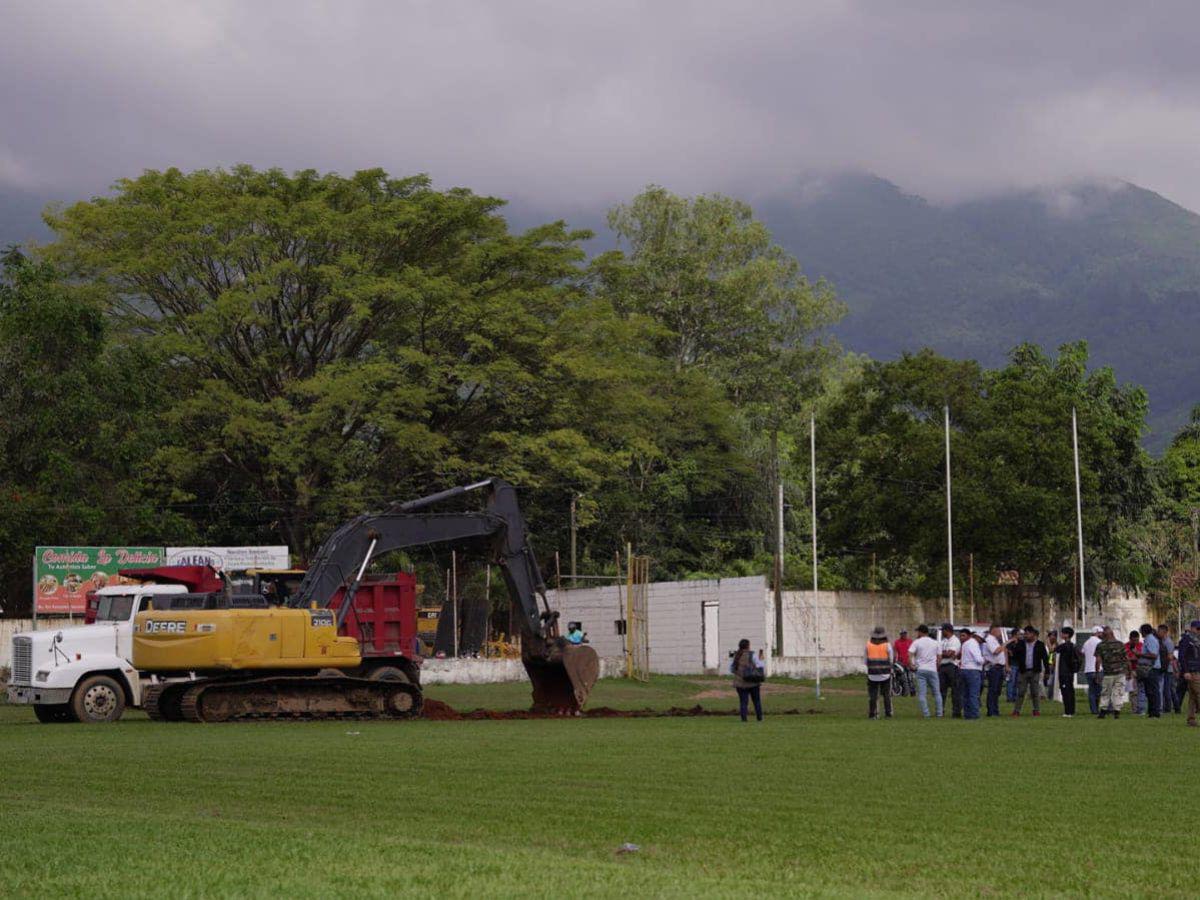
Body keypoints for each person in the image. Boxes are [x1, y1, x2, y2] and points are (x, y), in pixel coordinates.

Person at [1011, 626, 1050, 717]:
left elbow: (1045, 659)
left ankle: (1036, 710)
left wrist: (1047, 671)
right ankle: (1016, 710)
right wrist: (1015, 645)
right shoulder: (1021, 644)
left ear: (1033, 634)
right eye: (1024, 634)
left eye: (1027, 634)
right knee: (1021, 692)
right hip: (1023, 671)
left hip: (1035, 671)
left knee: (1035, 692)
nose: (1025, 636)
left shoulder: (1040, 645)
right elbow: (1014, 656)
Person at [1095, 626, 1130, 719]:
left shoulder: (1101, 645)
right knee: (1118, 692)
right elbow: (1126, 659)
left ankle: (1103, 712)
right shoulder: (1120, 644)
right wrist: (1129, 671)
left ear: (1104, 635)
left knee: (1105, 692)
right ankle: (1117, 711)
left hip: (1108, 673)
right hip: (1120, 672)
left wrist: (1097, 673)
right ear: (1113, 634)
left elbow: (1098, 660)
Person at [910, 624, 942, 718]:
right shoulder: (936, 643)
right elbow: (939, 657)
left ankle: (926, 713)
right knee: (937, 692)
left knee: (922, 694)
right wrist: (937, 666)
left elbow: (910, 653)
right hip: (932, 669)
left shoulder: (917, 642)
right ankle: (939, 713)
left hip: (921, 669)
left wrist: (912, 664)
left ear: (920, 632)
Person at [730, 638, 765, 722]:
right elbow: (760, 665)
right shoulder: (752, 654)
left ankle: (744, 719)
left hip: (740, 683)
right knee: (756, 701)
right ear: (748, 646)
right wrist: (761, 659)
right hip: (753, 682)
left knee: (743, 702)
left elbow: (731, 669)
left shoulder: (735, 655)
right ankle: (759, 718)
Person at [865, 626, 895, 719]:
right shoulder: (887, 645)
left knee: (873, 695)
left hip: (872, 674)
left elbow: (865, 661)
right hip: (885, 673)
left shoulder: (868, 645)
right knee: (886, 695)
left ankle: (873, 714)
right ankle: (888, 713)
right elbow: (891, 660)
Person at [1136, 623, 1163, 718]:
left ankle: (1155, 711)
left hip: (1152, 668)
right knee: (1149, 691)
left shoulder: (1151, 640)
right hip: (1148, 668)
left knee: (1153, 691)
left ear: (1144, 632)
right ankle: (1151, 711)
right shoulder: (1148, 640)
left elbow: (1153, 655)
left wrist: (1140, 654)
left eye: (1141, 632)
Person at [1178, 619, 1200, 727]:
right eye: (1198, 628)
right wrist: (1186, 671)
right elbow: (1182, 656)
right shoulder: (1186, 640)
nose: (1199, 631)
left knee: (1193, 696)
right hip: (1191, 671)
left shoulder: (1196, 640)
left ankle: (1191, 720)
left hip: (1196, 670)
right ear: (1192, 628)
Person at [957, 627, 984, 719]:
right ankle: (974, 714)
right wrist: (984, 660)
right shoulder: (974, 644)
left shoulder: (965, 644)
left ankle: (967, 714)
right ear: (977, 637)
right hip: (973, 671)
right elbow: (978, 659)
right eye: (981, 640)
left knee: (966, 694)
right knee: (973, 694)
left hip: (963, 669)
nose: (981, 642)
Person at [1055, 627, 1080, 717]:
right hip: (1070, 672)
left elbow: (1053, 649)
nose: (1061, 635)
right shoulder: (1073, 645)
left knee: (1065, 692)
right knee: (1070, 691)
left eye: (1063, 633)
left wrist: (1050, 641)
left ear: (1067, 635)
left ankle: (1068, 711)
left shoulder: (1065, 646)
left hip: (1064, 672)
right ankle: (1071, 710)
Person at [938, 623, 962, 718]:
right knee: (941, 690)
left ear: (947, 630)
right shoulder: (943, 641)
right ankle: (940, 711)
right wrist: (943, 653)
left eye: (943, 630)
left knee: (955, 690)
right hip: (942, 666)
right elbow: (938, 653)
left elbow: (950, 654)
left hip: (952, 666)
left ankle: (956, 712)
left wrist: (941, 654)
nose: (942, 632)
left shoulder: (955, 640)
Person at [983, 624, 1006, 716]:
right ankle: (991, 710)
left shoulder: (995, 640)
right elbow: (995, 651)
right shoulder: (989, 640)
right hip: (994, 667)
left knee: (997, 690)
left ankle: (995, 710)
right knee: (993, 690)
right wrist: (1005, 643)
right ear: (993, 630)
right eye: (999, 631)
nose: (1000, 633)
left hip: (1000, 667)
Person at [1081, 625, 1103, 715]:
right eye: (1101, 633)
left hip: (1088, 670)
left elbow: (1082, 653)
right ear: (1097, 632)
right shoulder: (1100, 642)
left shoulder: (1086, 642)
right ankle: (1098, 708)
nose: (1102, 634)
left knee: (1092, 691)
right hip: (1098, 669)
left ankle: (1093, 710)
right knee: (1099, 691)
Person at [1157, 625, 1177, 714]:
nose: (1158, 633)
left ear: (1164, 632)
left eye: (1159, 631)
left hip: (1168, 669)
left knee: (1167, 689)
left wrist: (1163, 662)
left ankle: (1168, 708)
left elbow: (1170, 656)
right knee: (1168, 689)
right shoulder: (1162, 641)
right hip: (1164, 668)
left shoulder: (1168, 642)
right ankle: (1172, 707)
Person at [1125, 630, 1145, 714]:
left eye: (1137, 640)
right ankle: (1134, 709)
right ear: (1130, 639)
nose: (1135, 642)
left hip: (1140, 669)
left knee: (1141, 690)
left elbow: (1140, 657)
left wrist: (1131, 658)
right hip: (1131, 670)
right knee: (1133, 691)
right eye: (1134, 640)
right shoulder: (1125, 646)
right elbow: (1125, 658)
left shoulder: (1141, 645)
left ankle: (1141, 708)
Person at [1004, 627, 1024, 703]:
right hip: (1012, 665)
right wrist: (1007, 665)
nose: (1021, 636)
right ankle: (1009, 697)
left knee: (1017, 682)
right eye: (1019, 634)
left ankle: (1015, 697)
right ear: (1014, 635)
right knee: (1011, 682)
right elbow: (1006, 654)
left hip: (1019, 665)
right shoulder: (1009, 643)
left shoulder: (1021, 643)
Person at [893, 629, 914, 696]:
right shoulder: (897, 642)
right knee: (902, 678)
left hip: (908, 662)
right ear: (900, 634)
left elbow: (913, 652)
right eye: (902, 634)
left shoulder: (910, 641)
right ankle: (903, 691)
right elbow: (895, 652)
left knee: (910, 678)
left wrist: (912, 662)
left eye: (905, 633)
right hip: (900, 663)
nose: (904, 635)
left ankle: (912, 692)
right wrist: (894, 661)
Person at [1044, 629, 1058, 701]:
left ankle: (1050, 696)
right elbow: (1050, 652)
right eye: (1052, 636)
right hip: (1046, 664)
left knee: (1051, 681)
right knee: (1046, 680)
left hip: (1052, 664)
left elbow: (1052, 653)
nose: (1053, 637)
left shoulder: (1056, 645)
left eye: (1054, 636)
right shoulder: (1046, 644)